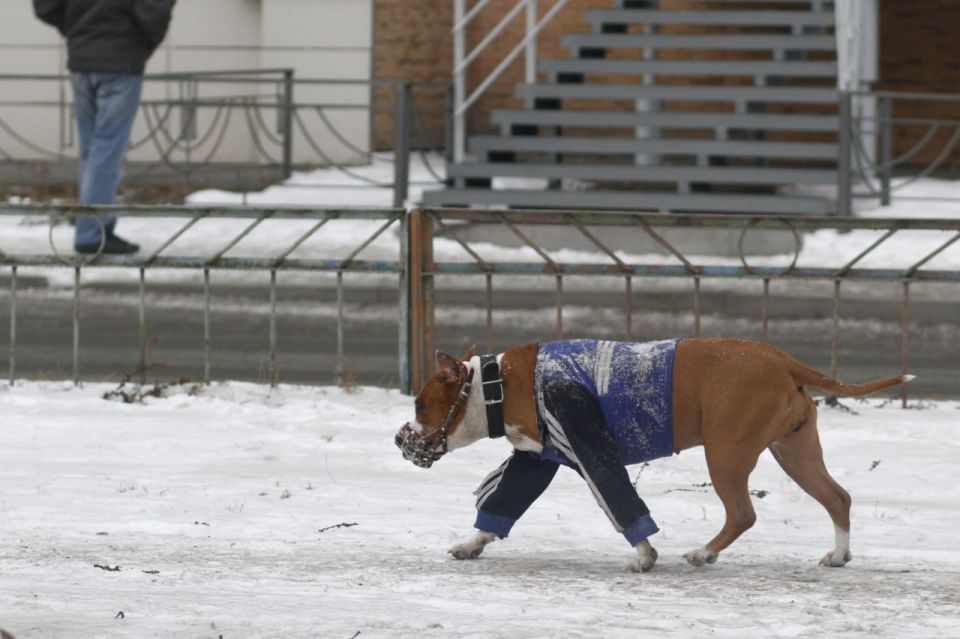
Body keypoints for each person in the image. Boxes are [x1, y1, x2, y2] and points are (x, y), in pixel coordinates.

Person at [34, 0, 177, 254]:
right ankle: (92, 232)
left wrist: (79, 31)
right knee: (106, 149)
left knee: (93, 151)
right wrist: (141, 44)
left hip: (82, 59)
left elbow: (46, 6)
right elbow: (154, 9)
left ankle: (99, 223)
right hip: (121, 61)